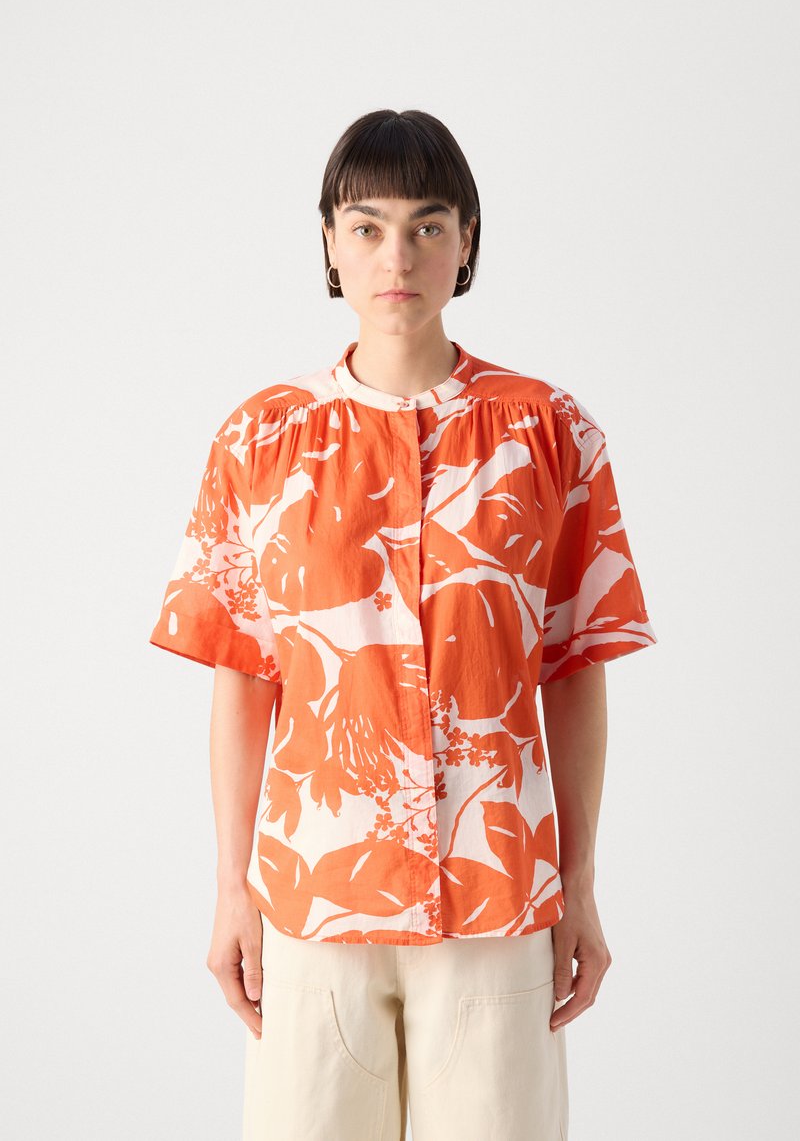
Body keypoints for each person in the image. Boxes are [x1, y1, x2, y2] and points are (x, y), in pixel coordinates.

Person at [149, 108, 657, 1141]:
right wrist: (230, 891)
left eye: (428, 225)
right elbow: (244, 675)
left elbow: (572, 668)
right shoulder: (260, 440)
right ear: (330, 244)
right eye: (368, 226)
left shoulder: (549, 433)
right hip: (313, 903)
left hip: (497, 904)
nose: (398, 256)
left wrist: (580, 886)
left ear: (466, 241)